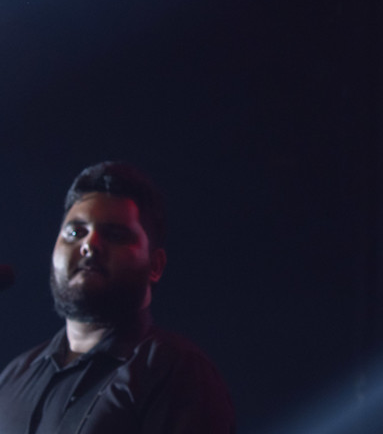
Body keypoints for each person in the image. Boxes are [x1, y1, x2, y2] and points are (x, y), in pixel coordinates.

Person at [0, 161, 236, 432]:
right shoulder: (14, 376)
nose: (89, 244)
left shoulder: (178, 372)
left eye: (115, 235)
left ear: (155, 265)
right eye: (75, 232)